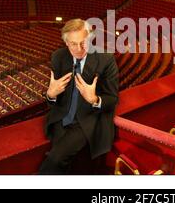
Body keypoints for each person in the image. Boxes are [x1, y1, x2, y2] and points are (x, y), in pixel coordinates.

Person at [38, 18, 119, 174]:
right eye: (73, 44)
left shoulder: (106, 59)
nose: (79, 48)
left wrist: (94, 99)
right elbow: (52, 102)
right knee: (67, 164)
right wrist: (51, 94)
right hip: (62, 117)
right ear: (66, 43)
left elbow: (112, 98)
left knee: (55, 159)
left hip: (88, 119)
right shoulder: (58, 57)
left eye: (84, 42)